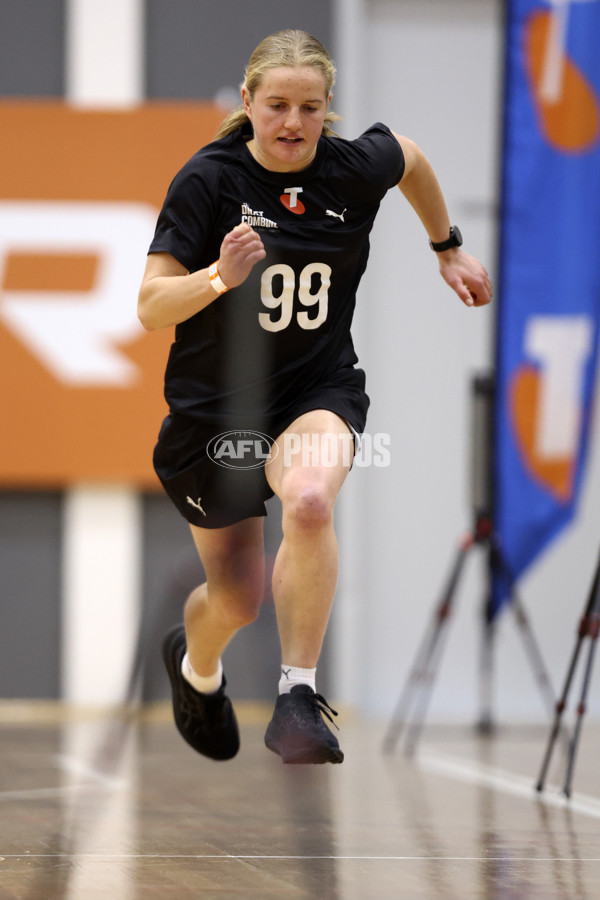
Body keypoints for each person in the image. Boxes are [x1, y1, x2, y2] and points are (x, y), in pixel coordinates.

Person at [138, 29, 492, 766]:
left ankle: (298, 696)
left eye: (309, 107)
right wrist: (215, 280)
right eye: (276, 106)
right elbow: (149, 307)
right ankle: (197, 670)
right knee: (236, 599)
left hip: (315, 387)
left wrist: (447, 245)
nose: (292, 123)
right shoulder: (207, 181)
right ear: (248, 102)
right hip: (216, 414)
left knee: (308, 501)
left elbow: (411, 156)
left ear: (328, 108)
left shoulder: (351, 167)